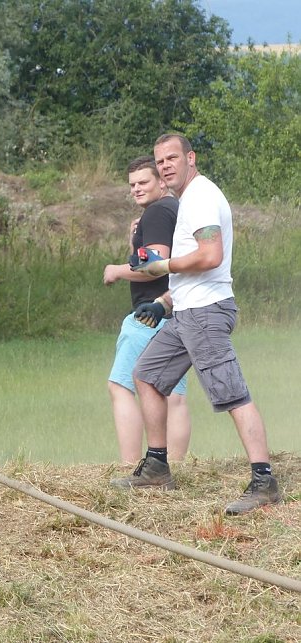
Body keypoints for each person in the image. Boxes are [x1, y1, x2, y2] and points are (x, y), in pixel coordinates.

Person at [112, 133, 280, 515]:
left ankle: (264, 479)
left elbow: (210, 256)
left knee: (231, 394)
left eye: (173, 158)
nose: (166, 165)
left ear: (191, 158)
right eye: (161, 161)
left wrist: (162, 266)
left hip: (205, 315)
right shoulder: (187, 200)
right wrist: (163, 301)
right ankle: (156, 465)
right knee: (147, 375)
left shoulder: (202, 196)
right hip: (187, 310)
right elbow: (196, 272)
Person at [103, 157, 190, 463]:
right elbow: (163, 260)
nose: (136, 189)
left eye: (143, 182)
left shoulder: (156, 212)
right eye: (132, 185)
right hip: (178, 310)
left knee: (121, 386)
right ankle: (176, 466)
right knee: (173, 394)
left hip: (148, 314)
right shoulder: (177, 210)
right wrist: (133, 240)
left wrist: (116, 269)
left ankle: (130, 466)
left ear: (162, 182)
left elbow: (153, 265)